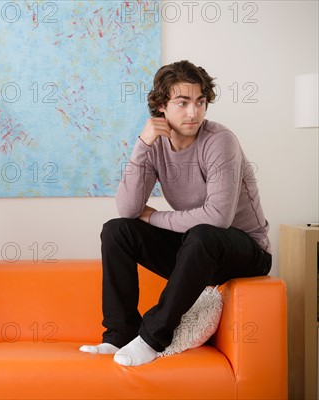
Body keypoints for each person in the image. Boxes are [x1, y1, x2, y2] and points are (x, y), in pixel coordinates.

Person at [80, 60, 271, 366]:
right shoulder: (154, 145)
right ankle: (118, 336)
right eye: (182, 103)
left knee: (203, 233)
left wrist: (154, 217)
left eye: (200, 102)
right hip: (196, 253)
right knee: (117, 230)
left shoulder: (220, 141)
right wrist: (142, 145)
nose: (193, 112)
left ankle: (152, 338)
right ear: (161, 106)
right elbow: (128, 209)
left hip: (245, 251)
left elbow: (218, 218)